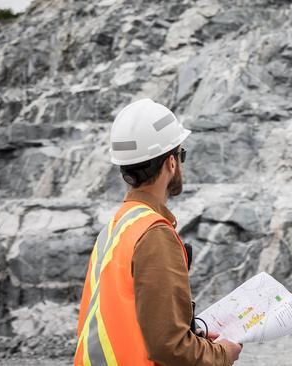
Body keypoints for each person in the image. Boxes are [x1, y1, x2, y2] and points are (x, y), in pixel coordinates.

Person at [74, 99, 243, 366]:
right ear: (171, 163)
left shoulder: (118, 226)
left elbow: (131, 321)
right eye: (181, 154)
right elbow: (170, 349)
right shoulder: (154, 235)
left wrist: (192, 337)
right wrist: (222, 353)